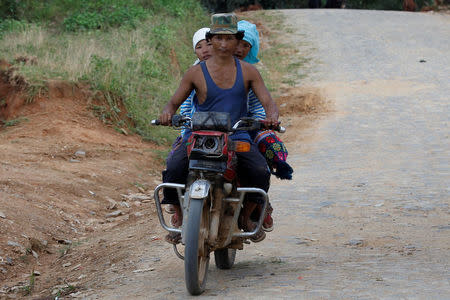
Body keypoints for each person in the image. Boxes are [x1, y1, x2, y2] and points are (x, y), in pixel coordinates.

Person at [160, 13, 278, 244]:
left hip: (237, 135)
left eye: (229, 39)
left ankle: (246, 216)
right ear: (211, 39)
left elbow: (268, 102)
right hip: (200, 133)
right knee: (173, 167)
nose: (224, 44)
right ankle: (181, 218)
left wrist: (272, 116)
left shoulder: (249, 71)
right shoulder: (195, 72)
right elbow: (173, 102)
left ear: (237, 41)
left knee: (260, 172)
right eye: (219, 38)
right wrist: (166, 113)